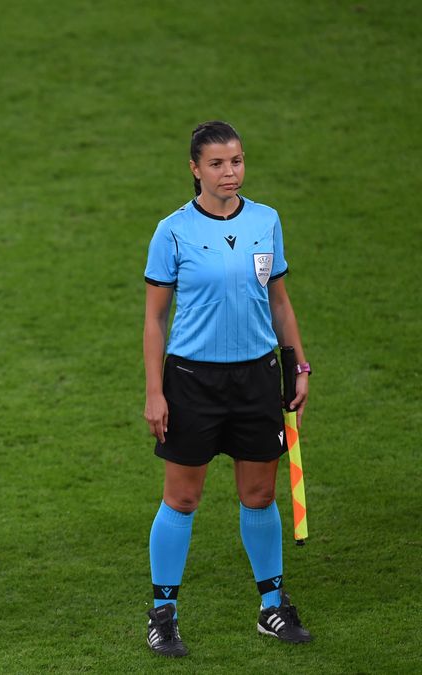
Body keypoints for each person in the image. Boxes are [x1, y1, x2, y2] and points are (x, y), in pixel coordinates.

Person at [141, 122, 314, 656]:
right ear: (195, 169)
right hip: (193, 380)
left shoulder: (266, 221)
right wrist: (155, 391)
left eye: (236, 161)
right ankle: (163, 613)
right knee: (183, 496)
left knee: (259, 494)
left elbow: (278, 302)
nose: (229, 173)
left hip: (257, 379)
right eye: (217, 164)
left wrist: (299, 366)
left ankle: (272, 606)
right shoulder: (173, 231)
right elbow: (155, 319)